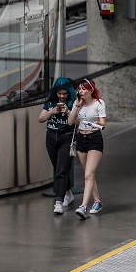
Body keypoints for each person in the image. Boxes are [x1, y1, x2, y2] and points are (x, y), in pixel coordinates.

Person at [67, 78, 107, 219]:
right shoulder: (77, 104)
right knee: (89, 174)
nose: (81, 91)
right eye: (79, 89)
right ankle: (97, 202)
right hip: (81, 140)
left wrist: (97, 123)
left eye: (84, 88)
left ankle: (83, 206)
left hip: (94, 140)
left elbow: (103, 122)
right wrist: (77, 106)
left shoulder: (99, 104)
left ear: (90, 90)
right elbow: (70, 122)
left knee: (88, 175)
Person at [38, 77, 77, 215]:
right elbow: (40, 119)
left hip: (66, 137)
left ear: (69, 93)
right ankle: (68, 193)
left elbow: (76, 121)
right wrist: (52, 111)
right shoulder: (50, 103)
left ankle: (58, 202)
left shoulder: (74, 103)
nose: (61, 96)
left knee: (61, 169)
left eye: (64, 94)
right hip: (51, 137)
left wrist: (67, 112)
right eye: (59, 93)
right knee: (59, 168)